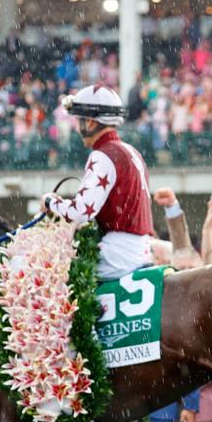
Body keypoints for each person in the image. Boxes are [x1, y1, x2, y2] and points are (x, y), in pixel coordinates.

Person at [41, 84, 154, 280]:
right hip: (141, 250)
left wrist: (51, 202)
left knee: (46, 271)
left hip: (116, 256)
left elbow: (81, 213)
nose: (77, 127)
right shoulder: (132, 151)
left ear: (91, 123)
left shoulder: (103, 155)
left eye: (79, 120)